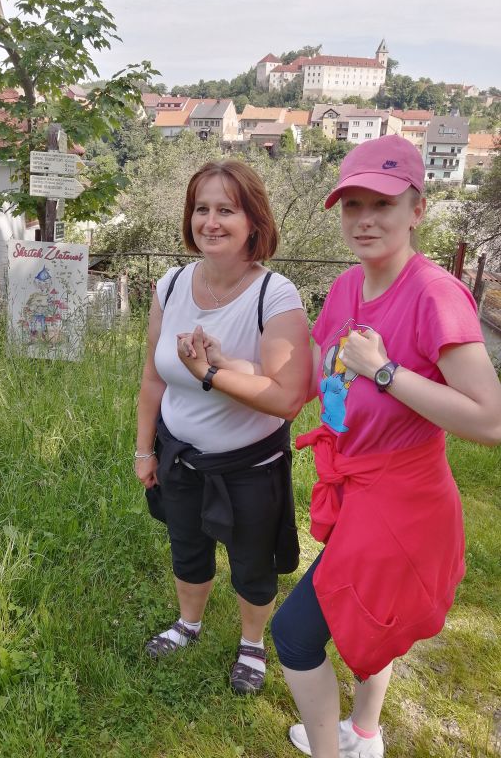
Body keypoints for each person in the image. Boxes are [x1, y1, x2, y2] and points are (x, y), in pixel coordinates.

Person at [270, 135, 501, 757]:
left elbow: (491, 420)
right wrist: (225, 366)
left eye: (383, 203)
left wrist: (385, 371)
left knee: (295, 635)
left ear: (417, 210)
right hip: (358, 489)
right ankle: (365, 734)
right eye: (353, 204)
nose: (365, 219)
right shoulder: (347, 287)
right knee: (369, 618)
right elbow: (310, 374)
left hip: (403, 503)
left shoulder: (434, 294)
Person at [135, 160, 312, 694]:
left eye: (226, 210)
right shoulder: (170, 285)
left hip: (249, 465)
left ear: (253, 221)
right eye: (201, 209)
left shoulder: (274, 294)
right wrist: (144, 450)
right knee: (187, 545)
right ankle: (188, 624)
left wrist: (211, 372)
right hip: (180, 455)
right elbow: (152, 376)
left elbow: (287, 398)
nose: (210, 222)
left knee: (252, 560)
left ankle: (252, 644)